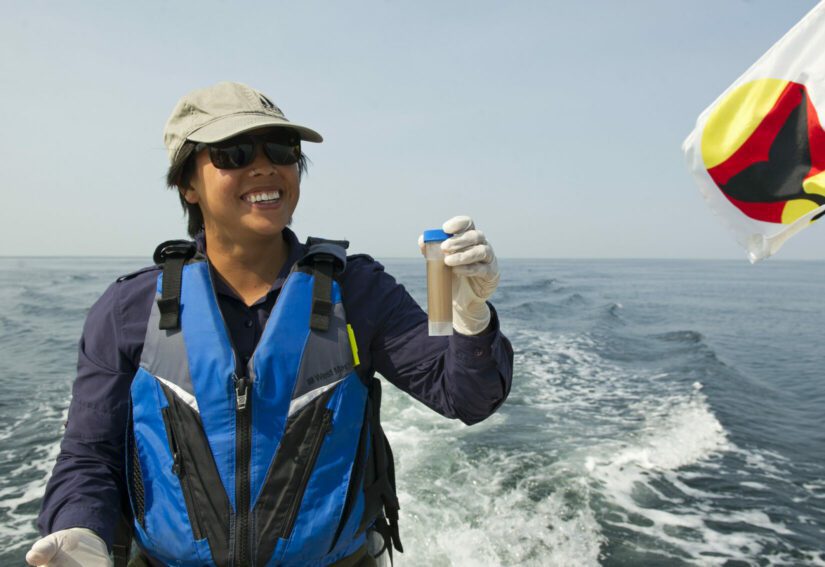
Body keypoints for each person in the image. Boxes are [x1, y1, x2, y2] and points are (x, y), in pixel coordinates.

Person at [26, 81, 514, 567]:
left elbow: (466, 398)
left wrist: (472, 320)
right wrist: (79, 529)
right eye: (233, 153)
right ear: (187, 185)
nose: (264, 166)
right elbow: (89, 454)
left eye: (281, 150)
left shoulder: (359, 291)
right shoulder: (128, 309)